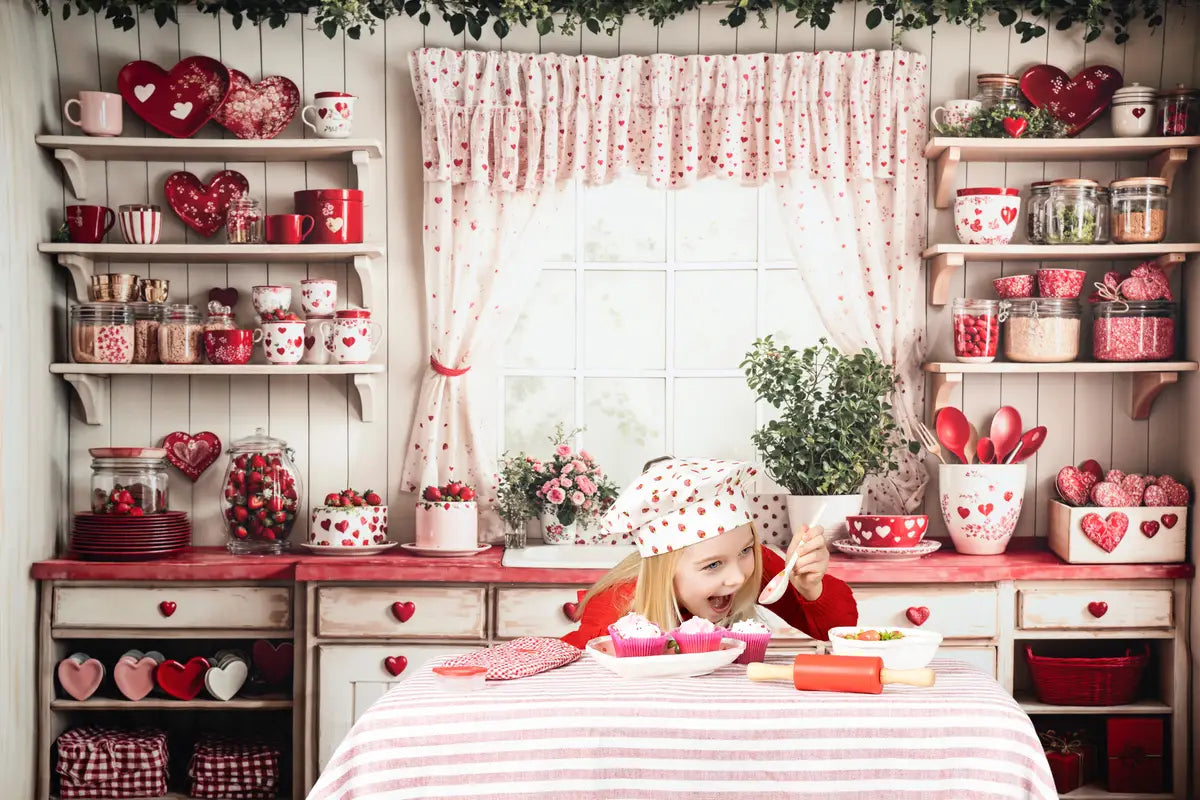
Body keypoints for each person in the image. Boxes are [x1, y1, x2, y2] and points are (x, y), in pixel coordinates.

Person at [562, 456, 857, 648]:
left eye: (745, 550)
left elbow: (839, 631)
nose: (737, 579)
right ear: (665, 570)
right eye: (712, 565)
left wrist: (810, 589)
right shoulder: (618, 608)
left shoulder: (746, 563)